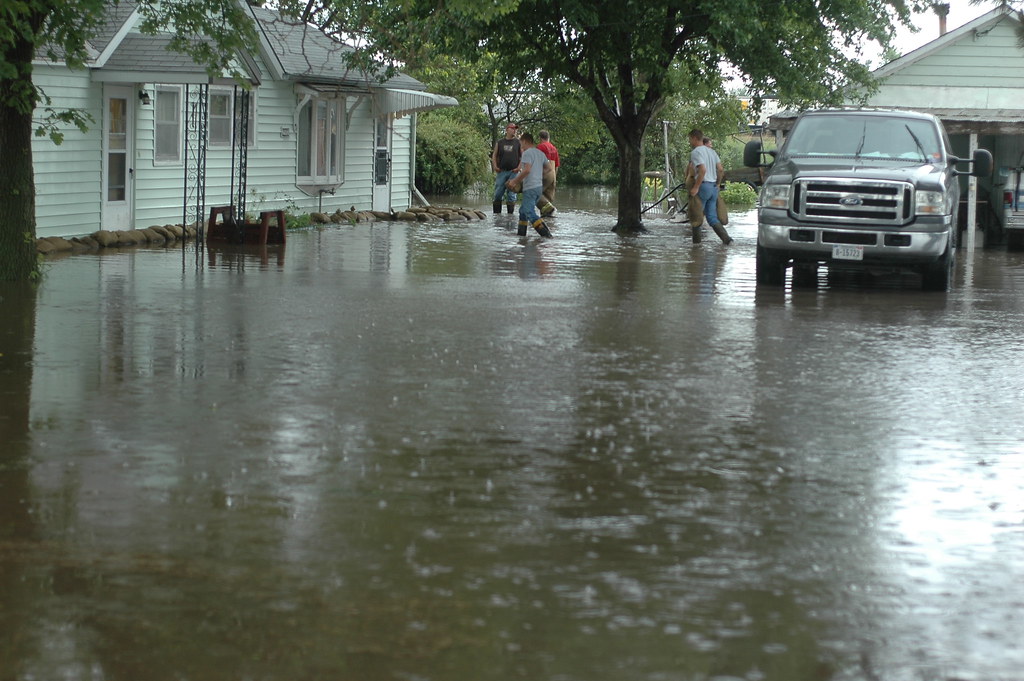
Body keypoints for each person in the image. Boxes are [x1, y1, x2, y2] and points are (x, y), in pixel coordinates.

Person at [688, 129, 732, 244]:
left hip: (703, 187)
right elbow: (720, 169)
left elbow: (702, 170)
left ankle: (696, 247)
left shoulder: (696, 152)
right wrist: (718, 184)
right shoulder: (712, 152)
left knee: (696, 217)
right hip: (713, 188)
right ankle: (727, 240)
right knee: (712, 217)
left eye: (690, 139)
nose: (689, 141)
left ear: (694, 138)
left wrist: (696, 187)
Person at [506, 132, 553, 237]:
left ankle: (546, 235)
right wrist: (538, 174)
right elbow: (549, 169)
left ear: (524, 141)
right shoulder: (540, 153)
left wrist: (514, 181)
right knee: (523, 211)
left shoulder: (526, 153)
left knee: (529, 212)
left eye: (520, 143)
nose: (520, 145)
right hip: (538, 188)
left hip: (530, 187)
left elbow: (526, 170)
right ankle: (521, 236)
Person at [492, 123, 522, 214]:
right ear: (507, 130)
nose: (514, 130)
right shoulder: (500, 142)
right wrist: (495, 166)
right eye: (512, 128)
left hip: (513, 172)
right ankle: (496, 216)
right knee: (498, 194)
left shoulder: (518, 142)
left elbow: (523, 156)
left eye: (515, 129)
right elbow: (494, 155)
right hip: (501, 171)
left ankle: (510, 217)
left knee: (511, 195)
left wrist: (519, 167)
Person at [535, 130, 560, 217]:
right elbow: (556, 165)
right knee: (547, 198)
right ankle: (548, 220)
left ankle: (551, 210)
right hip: (552, 174)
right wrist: (554, 178)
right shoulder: (554, 148)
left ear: (540, 138)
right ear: (548, 137)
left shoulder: (540, 147)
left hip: (544, 173)